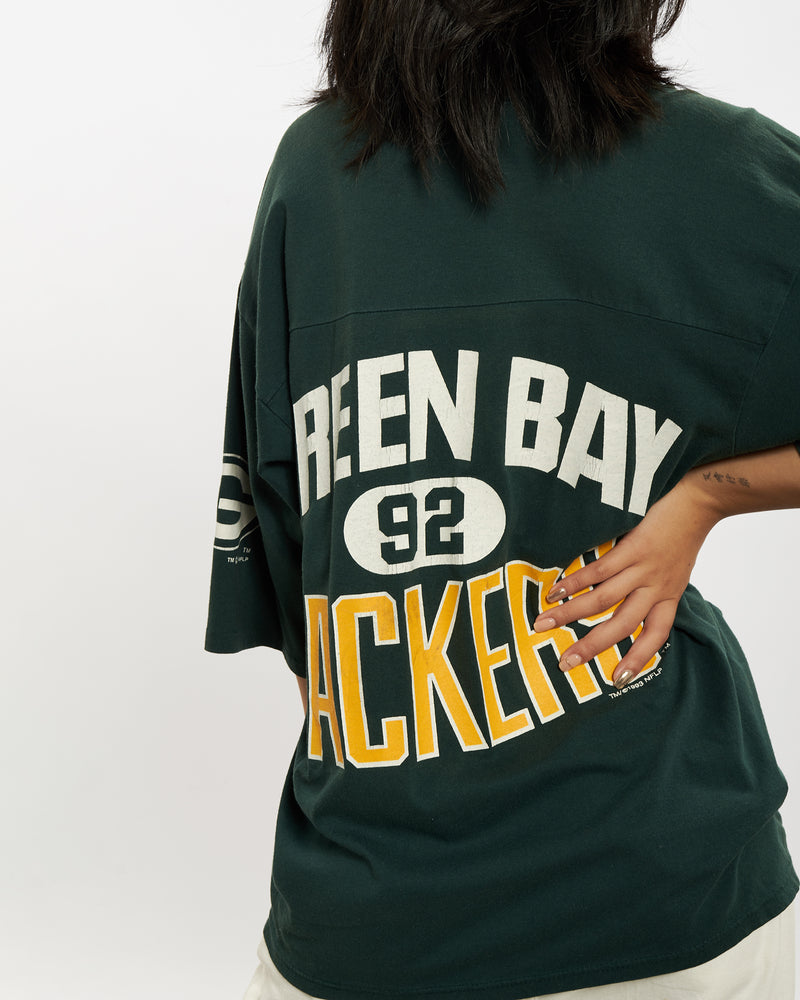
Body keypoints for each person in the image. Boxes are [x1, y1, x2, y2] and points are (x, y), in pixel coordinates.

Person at [204, 1, 800, 997]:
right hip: (541, 891)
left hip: (594, 900)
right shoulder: (319, 172)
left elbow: (282, 515)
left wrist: (702, 498)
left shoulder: (713, 169)